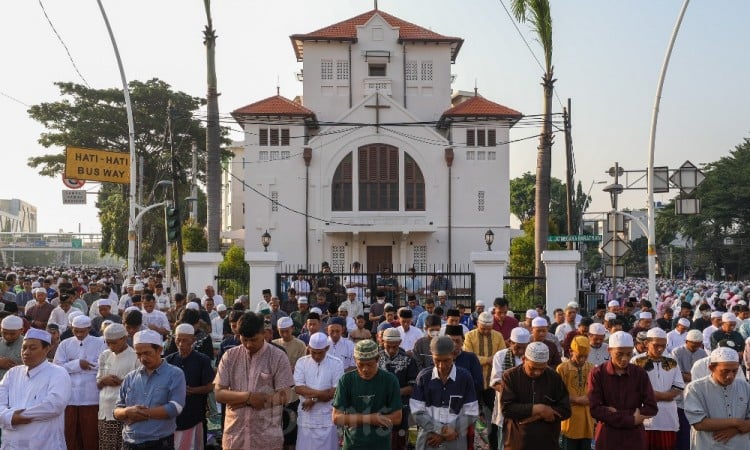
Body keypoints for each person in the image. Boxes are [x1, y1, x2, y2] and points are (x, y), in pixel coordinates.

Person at [214, 312, 294, 450]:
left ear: (264, 333)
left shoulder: (278, 357)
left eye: (253, 340)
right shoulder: (230, 356)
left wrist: (237, 400)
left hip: (266, 439)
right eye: (244, 340)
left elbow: (285, 396)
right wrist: (248, 398)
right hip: (235, 437)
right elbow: (219, 394)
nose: (249, 344)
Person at [114, 329, 187, 449]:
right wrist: (127, 412)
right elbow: (117, 410)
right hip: (129, 443)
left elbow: (175, 408)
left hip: (158, 443)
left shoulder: (175, 374)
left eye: (147, 353)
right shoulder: (130, 377)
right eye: (138, 354)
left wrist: (141, 413)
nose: (143, 358)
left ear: (159, 350)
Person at [0, 328, 72, 449]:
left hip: (44, 444)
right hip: (11, 444)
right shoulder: (12, 373)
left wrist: (20, 416)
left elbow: (54, 405)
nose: (26, 352)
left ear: (47, 349)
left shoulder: (58, 373)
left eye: (33, 348)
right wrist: (10, 417)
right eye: (24, 347)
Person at [588, 331, 658, 450]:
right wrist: (632, 418)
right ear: (609, 350)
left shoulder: (639, 373)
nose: (625, 359)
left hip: (634, 438)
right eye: (619, 354)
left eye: (628, 354)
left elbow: (651, 407)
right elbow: (595, 409)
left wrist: (613, 414)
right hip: (608, 437)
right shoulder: (598, 373)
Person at [410, 336, 479, 450]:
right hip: (429, 440)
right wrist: (442, 430)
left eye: (446, 360)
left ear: (453, 355)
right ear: (431, 356)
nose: (441, 365)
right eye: (437, 360)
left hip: (455, 440)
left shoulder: (464, 377)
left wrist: (447, 432)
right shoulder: (424, 377)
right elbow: (417, 412)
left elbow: (471, 412)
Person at [332, 339, 403, 449]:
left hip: (380, 445)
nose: (365, 369)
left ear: (377, 359)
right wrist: (371, 419)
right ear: (355, 360)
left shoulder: (390, 380)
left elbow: (397, 417)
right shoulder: (346, 380)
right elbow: (336, 418)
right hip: (353, 445)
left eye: (370, 365)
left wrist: (356, 419)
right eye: (361, 365)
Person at [501, 341, 572, 449]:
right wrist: (538, 409)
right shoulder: (510, 376)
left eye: (542, 369)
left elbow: (566, 409)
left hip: (548, 442)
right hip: (518, 442)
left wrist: (542, 414)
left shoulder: (553, 377)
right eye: (533, 368)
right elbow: (507, 408)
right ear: (524, 359)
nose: (538, 372)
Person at [53, 314, 107, 450]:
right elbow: (58, 366)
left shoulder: (100, 343)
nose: (79, 334)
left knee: (90, 434)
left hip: (91, 397)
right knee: (70, 433)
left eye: (82, 331)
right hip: (70, 397)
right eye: (75, 331)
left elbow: (103, 366)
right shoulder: (65, 344)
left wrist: (73, 366)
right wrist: (77, 364)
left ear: (89, 329)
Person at [683, 346, 750, 450]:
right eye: (725, 371)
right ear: (711, 368)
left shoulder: (744, 386)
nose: (730, 376)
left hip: (740, 445)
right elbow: (699, 423)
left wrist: (736, 430)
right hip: (709, 445)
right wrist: (735, 422)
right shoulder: (695, 388)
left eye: (734, 371)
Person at [631, 327, 684, 450]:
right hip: (646, 415)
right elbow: (635, 388)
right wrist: (665, 396)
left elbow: (678, 386)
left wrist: (661, 396)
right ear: (646, 343)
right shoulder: (637, 361)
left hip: (668, 415)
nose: (660, 349)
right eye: (656, 345)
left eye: (663, 346)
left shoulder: (672, 361)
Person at [165, 323, 215, 450]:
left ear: (193, 341)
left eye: (185, 341)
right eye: (178, 340)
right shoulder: (169, 360)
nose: (181, 344)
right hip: (173, 417)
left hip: (195, 414)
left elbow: (210, 386)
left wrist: (192, 390)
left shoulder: (202, 360)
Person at [294, 332, 344, 450]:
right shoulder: (301, 362)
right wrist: (323, 395)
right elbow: (299, 388)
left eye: (320, 352)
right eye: (313, 352)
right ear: (309, 347)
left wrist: (313, 398)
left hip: (327, 418)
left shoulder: (337, 363)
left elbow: (335, 392)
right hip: (306, 416)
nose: (316, 356)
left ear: (327, 348)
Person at [462, 311, 506, 444]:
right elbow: (469, 357)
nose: (487, 331)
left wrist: (493, 360)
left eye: (489, 329)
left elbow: (502, 355)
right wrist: (488, 360)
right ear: (477, 325)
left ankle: (493, 444)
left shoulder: (498, 336)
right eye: (483, 329)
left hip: (491, 384)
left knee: (494, 416)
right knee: (469, 415)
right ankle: (470, 443)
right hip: (473, 383)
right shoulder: (469, 336)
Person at [97, 323, 140, 450]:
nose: (110, 346)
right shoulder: (105, 355)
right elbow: (99, 383)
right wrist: (104, 380)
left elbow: (141, 385)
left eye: (114, 343)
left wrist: (122, 382)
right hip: (105, 412)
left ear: (124, 338)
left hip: (125, 412)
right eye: (107, 343)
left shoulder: (135, 356)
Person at [378, 328, 419, 450]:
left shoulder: (408, 360)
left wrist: (394, 393)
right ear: (382, 341)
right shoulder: (375, 359)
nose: (391, 350)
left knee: (400, 441)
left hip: (401, 407)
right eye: (388, 346)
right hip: (379, 406)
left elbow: (412, 387)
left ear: (400, 342)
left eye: (394, 347)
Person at [490, 327, 530, 449]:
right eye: (518, 347)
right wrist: (514, 394)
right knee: (505, 442)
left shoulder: (530, 357)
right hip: (507, 406)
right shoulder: (500, 356)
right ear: (510, 343)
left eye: (524, 347)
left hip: (527, 408)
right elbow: (495, 383)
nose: (521, 351)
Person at [272, 316, 307, 450]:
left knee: (291, 433)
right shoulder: (274, 344)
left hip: (292, 396)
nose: (285, 334)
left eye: (287, 331)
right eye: (282, 331)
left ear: (292, 329)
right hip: (274, 395)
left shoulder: (300, 345)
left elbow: (300, 368)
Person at [671, 329, 707, 450]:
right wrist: (696, 377)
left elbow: (706, 373)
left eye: (698, 344)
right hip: (680, 394)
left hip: (697, 393)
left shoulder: (702, 353)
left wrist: (689, 375)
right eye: (693, 344)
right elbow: (677, 373)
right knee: (681, 427)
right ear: (686, 341)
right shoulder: (677, 352)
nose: (696, 347)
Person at [557, 336, 595, 450]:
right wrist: (577, 400)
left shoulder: (591, 368)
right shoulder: (562, 369)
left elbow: (597, 392)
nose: (582, 359)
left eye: (585, 356)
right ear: (570, 351)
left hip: (588, 420)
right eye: (579, 356)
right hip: (569, 420)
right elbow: (557, 395)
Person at [0, 315, 24, 379]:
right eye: (4, 333)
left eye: (12, 334)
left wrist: (17, 367)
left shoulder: (28, 345)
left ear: (22, 330)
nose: (8, 336)